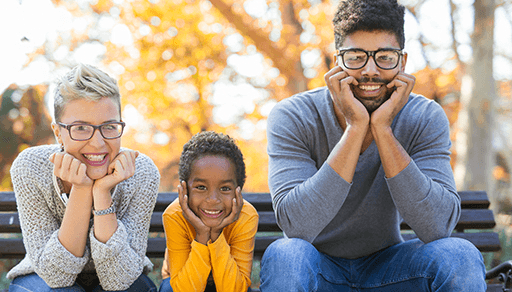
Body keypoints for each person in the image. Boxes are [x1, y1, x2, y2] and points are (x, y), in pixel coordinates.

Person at [260, 0, 486, 291]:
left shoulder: (424, 117)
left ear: (402, 62)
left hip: (391, 271)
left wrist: (382, 129)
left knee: (459, 255)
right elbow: (297, 228)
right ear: (337, 61)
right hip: (317, 270)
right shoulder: (293, 116)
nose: (370, 71)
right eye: (356, 57)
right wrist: (356, 128)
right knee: (286, 254)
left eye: (384, 57)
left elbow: (437, 227)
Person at [7, 64, 160, 292]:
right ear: (58, 132)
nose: (97, 143)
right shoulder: (31, 167)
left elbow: (119, 279)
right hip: (42, 280)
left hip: (123, 278)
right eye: (80, 128)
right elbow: (55, 277)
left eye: (109, 126)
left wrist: (101, 193)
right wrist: (81, 189)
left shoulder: (141, 171)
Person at [158, 131, 258, 292]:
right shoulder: (174, 215)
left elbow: (235, 289)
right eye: (201, 187)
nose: (212, 199)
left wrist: (216, 235)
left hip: (228, 282)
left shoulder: (246, 216)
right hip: (184, 282)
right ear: (185, 189)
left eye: (225, 188)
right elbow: (184, 289)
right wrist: (202, 236)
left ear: (238, 191)